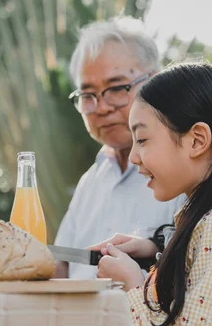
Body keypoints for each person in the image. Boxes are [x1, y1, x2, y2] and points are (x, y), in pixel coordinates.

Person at [91, 62, 212, 325]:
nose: (134, 157)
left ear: (197, 141)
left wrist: (133, 287)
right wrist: (156, 248)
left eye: (143, 140)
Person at [54, 17, 185, 279]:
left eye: (116, 88)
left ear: (156, 83)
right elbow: (62, 263)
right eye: (88, 95)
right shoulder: (92, 180)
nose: (101, 107)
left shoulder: (185, 173)